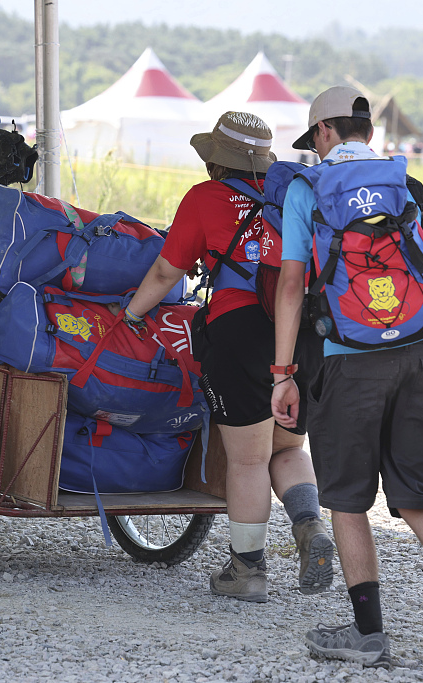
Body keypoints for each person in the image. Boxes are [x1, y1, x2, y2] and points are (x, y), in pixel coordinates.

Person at [272, 85, 423, 678]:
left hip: (346, 359)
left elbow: (290, 287)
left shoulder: (308, 190)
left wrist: (283, 373)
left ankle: (368, 633)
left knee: (348, 500)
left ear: (324, 133)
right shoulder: (411, 187)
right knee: (414, 496)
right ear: (368, 133)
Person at [124, 111, 333, 603]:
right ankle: (308, 527)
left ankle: (248, 571)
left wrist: (132, 314)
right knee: (286, 449)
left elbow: (164, 272)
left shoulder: (205, 198)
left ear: (218, 160)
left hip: (241, 332)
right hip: (304, 332)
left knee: (248, 460)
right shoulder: (296, 193)